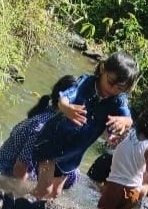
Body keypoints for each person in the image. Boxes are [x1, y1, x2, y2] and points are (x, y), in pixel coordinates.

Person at [31, 52, 139, 199]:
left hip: (74, 152)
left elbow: (128, 120)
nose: (113, 89)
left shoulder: (118, 100)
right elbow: (63, 99)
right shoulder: (86, 83)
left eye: (119, 88)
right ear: (102, 69)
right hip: (52, 141)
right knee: (45, 189)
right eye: (110, 81)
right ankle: (17, 205)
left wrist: (122, 124)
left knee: (55, 193)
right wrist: (67, 109)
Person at [0, 75, 79, 189]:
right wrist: (21, 194)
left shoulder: (50, 114)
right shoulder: (43, 127)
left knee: (72, 172)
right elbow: (20, 168)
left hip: (17, 166)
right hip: (4, 171)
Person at [98, 106, 148, 209]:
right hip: (133, 192)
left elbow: (113, 140)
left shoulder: (128, 132)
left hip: (114, 187)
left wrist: (113, 140)